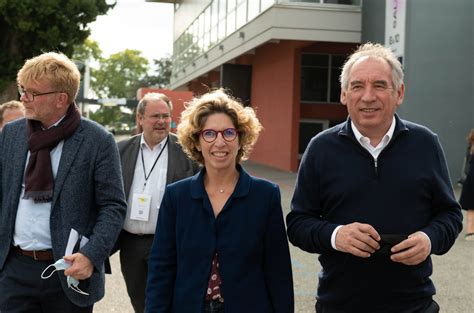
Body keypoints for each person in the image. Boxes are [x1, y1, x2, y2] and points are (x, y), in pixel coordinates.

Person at [286, 43, 462, 313]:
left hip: (413, 306)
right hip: (339, 306)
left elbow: (450, 215)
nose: (368, 96)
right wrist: (336, 235)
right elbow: (298, 223)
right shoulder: (321, 148)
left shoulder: (425, 144)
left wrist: (429, 240)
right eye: (357, 86)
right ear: (344, 94)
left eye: (379, 85)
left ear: (399, 93)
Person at [145, 89, 294, 312]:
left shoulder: (265, 195)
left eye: (228, 133)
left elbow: (278, 269)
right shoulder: (177, 196)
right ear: (196, 141)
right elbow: (162, 267)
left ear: (241, 138)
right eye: (209, 134)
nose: (220, 142)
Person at [0, 52, 127, 312]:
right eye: (22, 89)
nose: (23, 98)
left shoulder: (98, 140)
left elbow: (113, 207)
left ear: (61, 99)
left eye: (32, 93)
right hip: (14, 268)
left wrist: (91, 255)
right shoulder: (11, 135)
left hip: (68, 271)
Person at [117, 92, 199, 313]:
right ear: (140, 118)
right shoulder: (121, 150)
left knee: (168, 302)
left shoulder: (187, 151)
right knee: (139, 302)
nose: (162, 121)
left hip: (168, 241)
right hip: (130, 244)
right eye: (155, 116)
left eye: (166, 116)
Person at [459, 129, 474, 240]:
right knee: (471, 208)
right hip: (471, 179)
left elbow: (467, 164)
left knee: (471, 208)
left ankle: (470, 232)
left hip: (470, 180)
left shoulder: (470, 145)